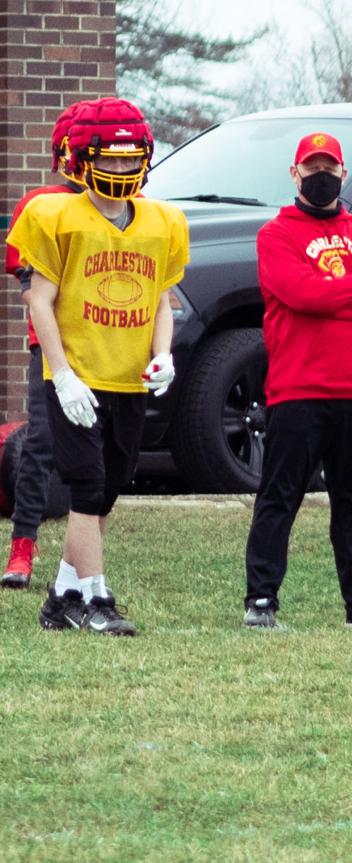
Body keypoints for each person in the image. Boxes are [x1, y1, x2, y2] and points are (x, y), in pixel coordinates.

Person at [7, 97, 187, 634]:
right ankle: (95, 599)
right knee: (86, 487)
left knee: (106, 491)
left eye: (131, 160)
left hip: (128, 375)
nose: (121, 169)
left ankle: (61, 596)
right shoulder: (53, 213)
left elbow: (160, 299)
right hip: (77, 373)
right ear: (82, 160)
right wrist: (60, 374)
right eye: (109, 159)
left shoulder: (163, 220)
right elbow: (39, 301)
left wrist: (164, 354)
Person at [242, 132, 352, 632]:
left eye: (331, 167)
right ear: (295, 175)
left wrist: (331, 292)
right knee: (280, 496)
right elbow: (298, 293)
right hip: (299, 386)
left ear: (343, 173)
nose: (322, 176)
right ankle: (261, 600)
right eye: (312, 167)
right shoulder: (276, 234)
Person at [2, 100, 90, 589]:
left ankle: (83, 557)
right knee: (40, 444)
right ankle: (23, 549)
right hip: (53, 343)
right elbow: (29, 285)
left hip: (112, 342)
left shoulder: (130, 208)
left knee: (108, 454)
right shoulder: (41, 204)